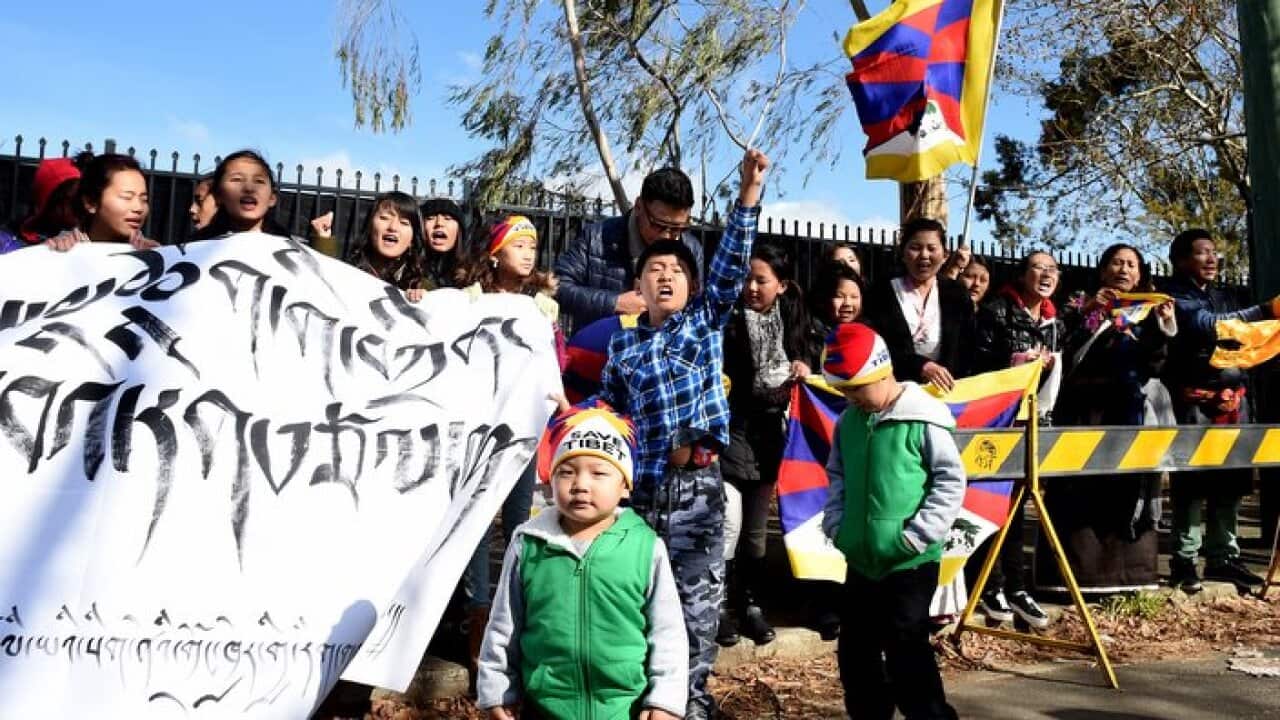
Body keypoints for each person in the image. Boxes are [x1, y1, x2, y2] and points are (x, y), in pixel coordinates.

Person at [575, 148, 767, 720]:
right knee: (639, 603)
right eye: (654, 269)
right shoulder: (623, 346)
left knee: (696, 607)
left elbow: (731, 263)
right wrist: (566, 409)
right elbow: (606, 414)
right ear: (637, 282)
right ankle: (645, 698)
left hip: (695, 492)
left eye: (677, 270)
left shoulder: (705, 324)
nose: (665, 275)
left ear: (692, 285)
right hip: (640, 497)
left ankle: (690, 703)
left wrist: (749, 195)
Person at [476, 405, 687, 720]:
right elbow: (504, 624)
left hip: (623, 710)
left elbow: (668, 632)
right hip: (544, 709)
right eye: (567, 471)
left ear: (625, 485)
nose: (580, 484)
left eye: (599, 472)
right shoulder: (529, 543)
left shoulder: (645, 548)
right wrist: (496, 689)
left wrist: (665, 701)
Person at [820, 322, 963, 720]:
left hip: (909, 563)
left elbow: (950, 481)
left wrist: (917, 537)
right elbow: (838, 475)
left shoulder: (924, 421)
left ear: (882, 373)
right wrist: (837, 524)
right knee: (856, 652)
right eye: (843, 392)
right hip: (862, 560)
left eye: (856, 389)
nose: (851, 399)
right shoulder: (847, 422)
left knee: (907, 651)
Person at [457, 215, 567, 671]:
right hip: (480, 430)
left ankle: (515, 613)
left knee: (520, 522)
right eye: (519, 245)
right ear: (495, 252)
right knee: (477, 526)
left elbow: (548, 361)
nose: (528, 254)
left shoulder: (543, 307)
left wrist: (559, 399)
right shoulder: (469, 301)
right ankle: (476, 620)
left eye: (533, 247)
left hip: (524, 430)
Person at [1039, 244, 1175, 594]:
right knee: (1079, 493)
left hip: (1128, 413)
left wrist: (1162, 325)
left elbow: (1155, 364)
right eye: (1116, 262)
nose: (1124, 269)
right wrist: (1092, 313)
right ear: (1102, 270)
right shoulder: (1080, 304)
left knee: (1127, 492)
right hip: (1082, 412)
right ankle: (1074, 576)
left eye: (1131, 264)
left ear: (1140, 273)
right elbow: (1060, 346)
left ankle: (1132, 577)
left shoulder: (1147, 312)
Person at [1161, 228, 1279, 592]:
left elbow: (1246, 337)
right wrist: (1266, 310)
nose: (1212, 259)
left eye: (1214, 252)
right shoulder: (1174, 297)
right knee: (1192, 483)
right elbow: (1207, 327)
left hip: (1234, 400)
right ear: (1181, 260)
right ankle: (1184, 560)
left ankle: (1224, 557)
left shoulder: (1225, 295)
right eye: (1201, 253)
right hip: (1196, 403)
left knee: (1231, 482)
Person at [718, 243, 810, 647]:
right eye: (747, 278)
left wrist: (805, 365)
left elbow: (810, 352)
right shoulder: (727, 318)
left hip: (770, 434)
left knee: (756, 533)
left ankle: (750, 604)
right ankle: (717, 605)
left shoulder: (794, 317)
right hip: (732, 427)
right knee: (728, 523)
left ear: (783, 285)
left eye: (761, 280)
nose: (751, 287)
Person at [972, 251, 1065, 629]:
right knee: (992, 502)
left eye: (1052, 269)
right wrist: (1015, 363)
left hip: (1035, 419)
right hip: (997, 420)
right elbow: (978, 366)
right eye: (1037, 268)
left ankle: (1019, 586)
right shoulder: (996, 311)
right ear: (1022, 274)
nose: (1045, 274)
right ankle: (990, 585)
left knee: (1018, 506)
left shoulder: (1055, 319)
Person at [554, 167, 704, 332]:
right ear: (639, 207)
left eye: (678, 228)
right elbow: (557, 287)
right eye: (658, 226)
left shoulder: (691, 248)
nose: (668, 236)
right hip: (599, 351)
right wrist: (615, 303)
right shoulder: (595, 237)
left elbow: (698, 307)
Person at [863, 218, 974, 393]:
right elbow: (875, 346)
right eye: (915, 248)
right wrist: (921, 366)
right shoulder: (881, 292)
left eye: (932, 248)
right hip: (894, 391)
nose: (924, 255)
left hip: (946, 392)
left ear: (945, 255)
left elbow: (969, 346)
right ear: (902, 253)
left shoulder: (957, 294)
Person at [193, 150, 298, 240]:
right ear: (219, 195)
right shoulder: (195, 247)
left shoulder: (293, 249)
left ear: (272, 198)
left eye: (259, 181)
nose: (249, 188)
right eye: (237, 179)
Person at [345, 191, 427, 300]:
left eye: (404, 223)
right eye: (384, 218)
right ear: (369, 226)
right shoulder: (347, 272)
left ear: (412, 241)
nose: (393, 227)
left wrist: (425, 300)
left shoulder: (422, 286)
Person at [0, 157, 80, 254]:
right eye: (75, 199)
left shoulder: (88, 232)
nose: (86, 206)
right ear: (51, 203)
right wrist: (43, 252)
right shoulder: (7, 241)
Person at [420, 196, 467, 289]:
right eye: (430, 218)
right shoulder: (405, 273)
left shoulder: (476, 274)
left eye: (448, 218)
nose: (439, 223)